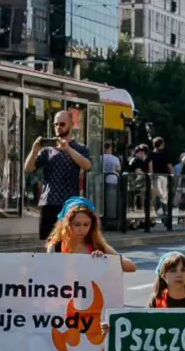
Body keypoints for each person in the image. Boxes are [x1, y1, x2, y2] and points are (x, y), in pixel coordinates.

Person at [24, 110, 92, 240]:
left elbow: (88, 165)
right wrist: (34, 151)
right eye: (56, 124)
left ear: (71, 124)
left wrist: (68, 149)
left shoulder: (79, 148)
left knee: (68, 243)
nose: (58, 127)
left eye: (62, 124)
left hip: (69, 204)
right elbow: (28, 168)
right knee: (49, 243)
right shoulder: (48, 149)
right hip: (48, 202)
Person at [44, 196, 136, 272]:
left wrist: (105, 259)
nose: (81, 229)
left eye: (86, 224)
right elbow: (49, 272)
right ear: (67, 225)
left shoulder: (96, 245)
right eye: (77, 224)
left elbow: (131, 267)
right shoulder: (56, 246)